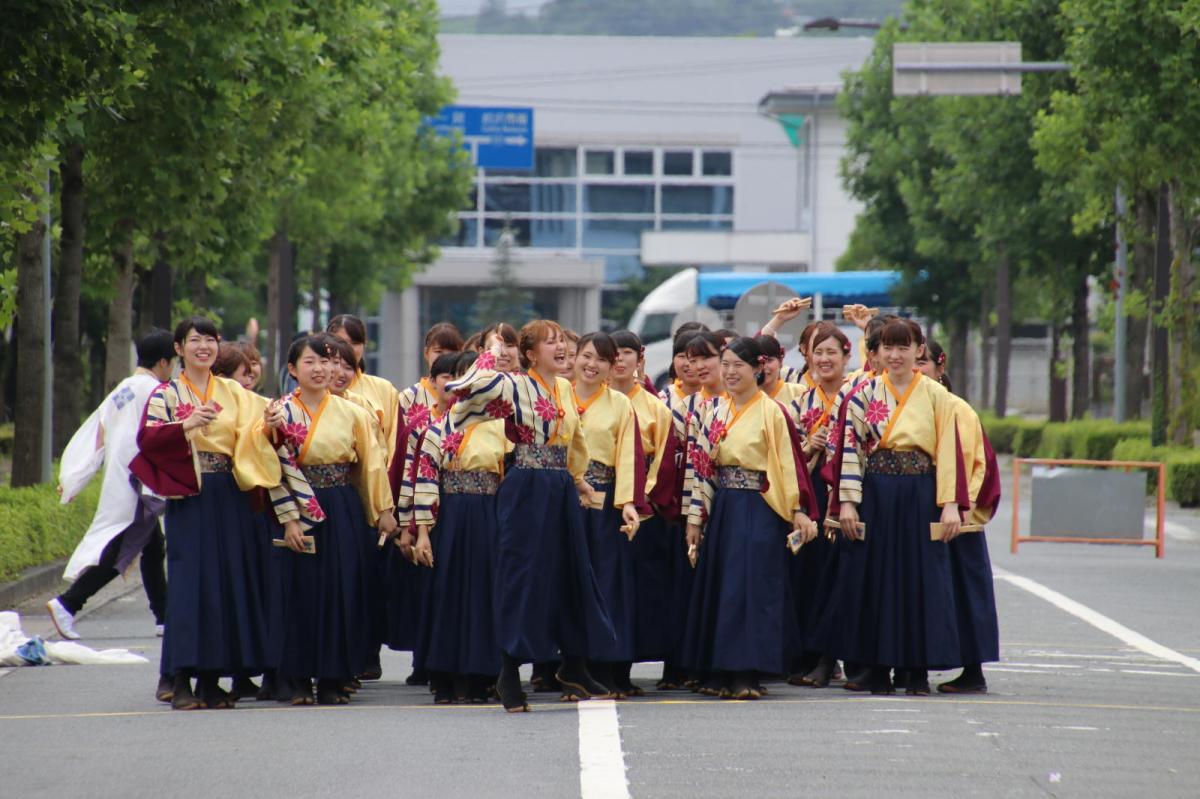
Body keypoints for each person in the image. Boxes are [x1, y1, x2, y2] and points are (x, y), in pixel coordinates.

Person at [445, 320, 616, 712]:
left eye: (563, 342)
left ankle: (573, 663)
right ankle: (508, 670)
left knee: (572, 572)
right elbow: (470, 386)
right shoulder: (513, 384)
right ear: (530, 354)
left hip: (558, 487)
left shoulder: (564, 389)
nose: (561, 349)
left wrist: (579, 481)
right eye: (550, 343)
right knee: (523, 576)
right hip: (526, 487)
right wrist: (495, 354)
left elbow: (575, 440)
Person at [130, 316, 287, 710]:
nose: (204, 346)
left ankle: (214, 679)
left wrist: (271, 424)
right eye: (194, 340)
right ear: (179, 349)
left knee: (226, 583)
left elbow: (260, 428)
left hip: (230, 493)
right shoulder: (166, 394)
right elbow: (147, 440)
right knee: (190, 584)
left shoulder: (234, 391)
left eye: (211, 340)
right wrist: (185, 426)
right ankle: (181, 676)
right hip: (191, 494)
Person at [826, 319, 968, 695]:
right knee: (874, 579)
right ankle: (876, 668)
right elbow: (851, 453)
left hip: (921, 494)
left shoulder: (937, 395)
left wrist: (950, 504)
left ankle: (916, 669)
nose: (895, 355)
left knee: (920, 581)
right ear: (877, 352)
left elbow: (948, 453)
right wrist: (848, 504)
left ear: (919, 350)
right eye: (888, 347)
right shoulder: (863, 394)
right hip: (877, 493)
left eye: (904, 347)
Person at [260, 335, 397, 705]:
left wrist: (382, 511)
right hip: (296, 504)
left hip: (340, 505)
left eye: (329, 361)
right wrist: (288, 519)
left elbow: (370, 464)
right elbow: (271, 469)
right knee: (299, 592)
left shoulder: (354, 412)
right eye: (311, 362)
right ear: (292, 369)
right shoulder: (278, 413)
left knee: (342, 589)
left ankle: (335, 676)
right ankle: (297, 678)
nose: (322, 369)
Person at [681, 336, 819, 700]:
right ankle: (718, 669)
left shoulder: (772, 411)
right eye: (725, 364)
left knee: (752, 589)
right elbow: (702, 468)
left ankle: (746, 672)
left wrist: (797, 509)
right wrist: (696, 518)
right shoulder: (714, 410)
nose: (729, 372)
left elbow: (788, 465)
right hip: (724, 506)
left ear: (758, 369)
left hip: (759, 505)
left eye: (737, 365)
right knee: (722, 588)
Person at [51, 329, 174, 660]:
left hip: (124, 478)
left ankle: (164, 616)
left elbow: (96, 433)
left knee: (151, 547)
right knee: (124, 549)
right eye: (173, 362)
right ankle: (68, 603)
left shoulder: (124, 388)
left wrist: (76, 475)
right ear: (164, 361)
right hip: (139, 481)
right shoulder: (154, 390)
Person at [405, 350, 509, 704]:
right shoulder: (436, 429)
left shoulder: (503, 427)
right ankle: (446, 675)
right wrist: (421, 532)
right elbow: (425, 480)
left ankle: (483, 675)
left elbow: (510, 476)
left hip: (490, 514)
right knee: (447, 592)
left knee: (485, 592)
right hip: (449, 515)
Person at [917, 340, 1001, 694]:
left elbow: (972, 462)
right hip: (924, 509)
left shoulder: (956, 408)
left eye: (923, 362)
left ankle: (973, 669)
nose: (917, 368)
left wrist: (957, 504)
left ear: (940, 366)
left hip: (955, 512)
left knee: (965, 592)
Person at [328, 314, 401, 682]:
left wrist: (385, 502)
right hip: (332, 494)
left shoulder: (380, 390)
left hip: (373, 491)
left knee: (369, 578)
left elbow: (386, 448)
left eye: (354, 344)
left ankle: (367, 651)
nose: (346, 355)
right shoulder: (308, 393)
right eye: (337, 344)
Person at [571, 332, 644, 697]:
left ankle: (606, 667)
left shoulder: (619, 404)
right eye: (586, 355)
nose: (592, 364)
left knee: (606, 583)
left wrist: (628, 502)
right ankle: (568, 668)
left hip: (604, 502)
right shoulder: (557, 397)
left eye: (601, 359)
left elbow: (628, 457)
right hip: (563, 502)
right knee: (567, 581)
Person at [785, 322, 853, 687]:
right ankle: (815, 656)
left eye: (831, 352)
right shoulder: (800, 402)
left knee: (846, 576)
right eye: (817, 352)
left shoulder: (860, 393)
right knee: (813, 577)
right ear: (807, 356)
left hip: (849, 492)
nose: (824, 359)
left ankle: (838, 657)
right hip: (813, 491)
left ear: (847, 356)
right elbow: (792, 457)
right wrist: (811, 445)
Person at [609, 330, 677, 690]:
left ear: (640, 358)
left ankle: (624, 668)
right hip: (600, 507)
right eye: (612, 354)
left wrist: (637, 499)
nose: (619, 361)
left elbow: (663, 464)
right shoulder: (588, 400)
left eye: (626, 353)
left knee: (638, 592)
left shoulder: (656, 409)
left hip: (643, 512)